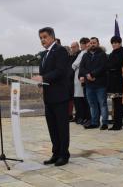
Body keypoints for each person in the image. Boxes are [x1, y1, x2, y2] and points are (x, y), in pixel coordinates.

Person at [32, 27, 71, 166]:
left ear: (52, 37)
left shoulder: (60, 51)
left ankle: (64, 155)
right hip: (48, 97)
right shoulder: (44, 54)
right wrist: (40, 82)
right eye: (40, 38)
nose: (42, 40)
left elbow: (60, 71)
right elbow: (47, 75)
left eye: (45, 37)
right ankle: (55, 153)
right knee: (52, 127)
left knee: (61, 127)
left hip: (60, 96)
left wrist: (43, 77)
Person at [79, 37, 109, 130]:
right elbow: (82, 67)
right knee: (92, 104)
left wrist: (92, 74)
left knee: (102, 104)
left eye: (94, 43)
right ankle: (94, 122)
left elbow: (103, 67)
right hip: (89, 84)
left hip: (100, 83)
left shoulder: (102, 54)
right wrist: (87, 75)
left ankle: (104, 123)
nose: (92, 44)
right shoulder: (85, 55)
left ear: (98, 43)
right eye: (91, 43)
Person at [107, 36, 123, 130]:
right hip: (112, 81)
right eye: (113, 43)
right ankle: (116, 122)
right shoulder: (111, 53)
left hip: (120, 80)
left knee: (119, 103)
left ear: (120, 43)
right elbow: (108, 65)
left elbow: (120, 65)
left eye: (116, 43)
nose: (114, 44)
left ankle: (118, 124)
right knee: (115, 102)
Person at [72, 38, 91, 125]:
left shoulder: (84, 53)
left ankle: (85, 117)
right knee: (79, 100)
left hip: (81, 78)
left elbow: (75, 64)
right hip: (77, 77)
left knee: (83, 100)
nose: (81, 46)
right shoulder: (82, 53)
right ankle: (81, 117)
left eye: (81, 44)